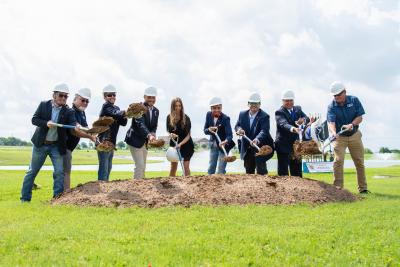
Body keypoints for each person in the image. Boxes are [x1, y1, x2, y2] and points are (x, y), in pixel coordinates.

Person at [20, 84, 77, 202]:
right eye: (61, 95)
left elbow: (73, 124)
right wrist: (46, 123)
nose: (63, 98)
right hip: (40, 144)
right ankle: (25, 199)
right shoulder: (43, 105)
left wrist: (77, 126)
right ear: (54, 95)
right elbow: (34, 119)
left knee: (59, 172)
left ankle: (57, 200)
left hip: (56, 146)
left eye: (66, 96)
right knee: (32, 171)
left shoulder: (68, 111)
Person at [327, 81, 369, 194]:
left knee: (359, 161)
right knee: (338, 161)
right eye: (334, 95)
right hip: (340, 138)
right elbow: (331, 122)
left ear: (344, 92)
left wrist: (352, 124)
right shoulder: (331, 106)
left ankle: (363, 188)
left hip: (354, 135)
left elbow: (360, 117)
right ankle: (337, 189)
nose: (337, 97)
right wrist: (333, 132)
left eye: (339, 94)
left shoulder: (354, 100)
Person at [63, 88, 96, 191]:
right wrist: (90, 137)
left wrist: (95, 132)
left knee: (66, 171)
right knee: (65, 172)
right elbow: (75, 131)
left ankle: (64, 194)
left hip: (70, 147)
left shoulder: (82, 112)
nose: (85, 103)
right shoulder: (71, 111)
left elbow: (86, 128)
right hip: (64, 146)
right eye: (83, 100)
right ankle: (65, 195)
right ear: (76, 98)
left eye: (87, 101)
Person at [235, 92, 274, 175]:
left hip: (260, 147)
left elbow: (264, 131)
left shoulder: (264, 116)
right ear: (248, 104)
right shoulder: (242, 114)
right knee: (249, 171)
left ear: (260, 104)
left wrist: (257, 139)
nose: (254, 106)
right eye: (252, 103)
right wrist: (240, 130)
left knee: (261, 170)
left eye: (256, 104)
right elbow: (237, 125)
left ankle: (264, 186)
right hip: (247, 148)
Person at [125, 87, 159, 179]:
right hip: (135, 140)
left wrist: (153, 133)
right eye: (149, 97)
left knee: (143, 166)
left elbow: (154, 125)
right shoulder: (138, 107)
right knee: (139, 166)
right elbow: (140, 124)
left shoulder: (156, 111)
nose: (151, 99)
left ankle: (142, 189)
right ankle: (136, 188)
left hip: (145, 142)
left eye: (153, 97)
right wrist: (149, 135)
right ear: (144, 97)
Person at [275, 90, 309, 177]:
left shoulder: (298, 109)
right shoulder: (279, 112)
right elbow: (283, 124)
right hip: (283, 145)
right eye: (287, 101)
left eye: (291, 100)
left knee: (297, 171)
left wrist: (303, 120)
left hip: (296, 145)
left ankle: (298, 190)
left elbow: (306, 118)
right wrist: (294, 129)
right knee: (283, 172)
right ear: (282, 101)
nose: (289, 103)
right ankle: (283, 190)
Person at [97, 84, 127, 181]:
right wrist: (126, 112)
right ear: (105, 97)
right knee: (104, 169)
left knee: (108, 167)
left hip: (112, 142)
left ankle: (105, 190)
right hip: (103, 142)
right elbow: (115, 114)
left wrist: (123, 115)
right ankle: (102, 192)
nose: (112, 97)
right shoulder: (106, 107)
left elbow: (123, 122)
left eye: (114, 95)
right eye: (109, 95)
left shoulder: (117, 108)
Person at [203, 97, 235, 174]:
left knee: (221, 169)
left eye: (218, 108)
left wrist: (225, 141)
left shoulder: (225, 118)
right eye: (214, 108)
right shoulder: (208, 115)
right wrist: (209, 130)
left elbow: (230, 135)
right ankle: (209, 185)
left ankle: (221, 185)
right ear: (211, 108)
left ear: (221, 107)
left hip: (223, 146)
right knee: (211, 167)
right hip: (213, 145)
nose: (217, 110)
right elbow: (205, 130)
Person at [166, 97, 194, 176]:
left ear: (181, 106)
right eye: (176, 106)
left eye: (179, 106)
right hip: (174, 145)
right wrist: (171, 135)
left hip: (186, 145)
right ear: (172, 107)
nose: (178, 108)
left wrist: (180, 144)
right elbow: (169, 131)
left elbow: (188, 136)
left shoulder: (186, 118)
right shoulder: (169, 117)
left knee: (185, 168)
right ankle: (170, 185)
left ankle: (188, 186)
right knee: (173, 167)